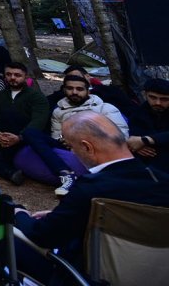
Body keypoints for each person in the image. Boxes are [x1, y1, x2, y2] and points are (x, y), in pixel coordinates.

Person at [13, 113, 169, 281]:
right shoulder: (161, 181)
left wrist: (20, 213)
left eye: (71, 147)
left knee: (11, 240)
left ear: (87, 147)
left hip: (87, 277)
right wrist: (66, 215)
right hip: (153, 276)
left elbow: (43, 235)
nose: (72, 152)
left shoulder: (90, 189)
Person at [30, 74, 129, 196]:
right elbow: (56, 135)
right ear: (64, 90)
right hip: (68, 146)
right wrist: (64, 140)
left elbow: (121, 135)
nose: (74, 92)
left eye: (79, 89)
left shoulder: (105, 108)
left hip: (95, 147)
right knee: (30, 133)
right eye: (70, 88)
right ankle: (66, 174)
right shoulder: (58, 111)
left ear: (88, 90)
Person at [0, 61, 50, 185]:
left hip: (24, 137)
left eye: (17, 75)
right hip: (2, 136)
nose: (12, 78)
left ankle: (0, 167)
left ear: (25, 77)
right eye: (9, 74)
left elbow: (38, 122)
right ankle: (6, 170)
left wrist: (19, 137)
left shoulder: (37, 97)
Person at [128, 78, 169, 169]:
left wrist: (146, 140)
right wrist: (138, 145)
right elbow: (134, 138)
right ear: (145, 95)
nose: (158, 103)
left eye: (164, 99)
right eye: (153, 97)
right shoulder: (139, 113)